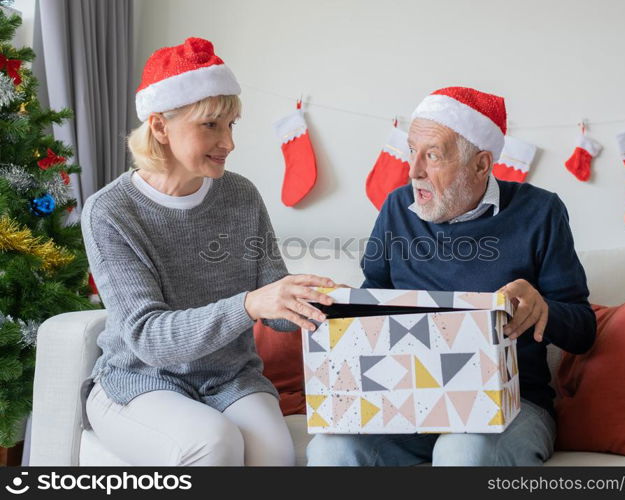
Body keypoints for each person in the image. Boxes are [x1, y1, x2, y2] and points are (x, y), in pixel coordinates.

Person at [307, 87, 596, 466]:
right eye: (412, 150)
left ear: (480, 164)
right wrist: (343, 310)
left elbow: (584, 330)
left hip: (509, 404)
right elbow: (373, 302)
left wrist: (542, 309)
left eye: (432, 155)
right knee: (330, 449)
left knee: (462, 451)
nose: (414, 171)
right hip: (404, 405)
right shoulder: (396, 209)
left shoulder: (540, 211)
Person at [80, 37, 334, 466]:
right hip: (140, 380)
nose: (229, 143)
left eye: (231, 125)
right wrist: (251, 303)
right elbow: (148, 339)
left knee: (276, 454)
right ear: (160, 127)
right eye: (211, 125)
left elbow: (271, 306)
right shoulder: (110, 211)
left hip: (229, 378)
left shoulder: (240, 195)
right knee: (213, 442)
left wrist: (305, 298)